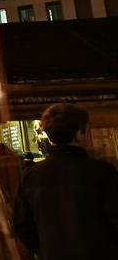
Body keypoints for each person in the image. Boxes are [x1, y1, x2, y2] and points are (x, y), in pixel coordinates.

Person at [12, 103, 118, 259]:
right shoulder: (102, 172)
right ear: (79, 134)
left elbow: (22, 225)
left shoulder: (30, 175)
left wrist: (44, 249)